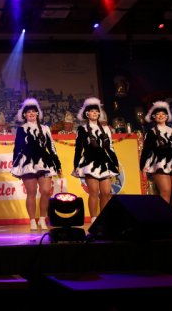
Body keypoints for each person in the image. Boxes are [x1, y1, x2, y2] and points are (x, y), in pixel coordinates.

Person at [11, 98, 62, 231]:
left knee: (45, 191)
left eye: (34, 111)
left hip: (44, 162)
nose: (31, 114)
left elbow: (51, 147)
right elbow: (17, 148)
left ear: (38, 113)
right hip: (28, 163)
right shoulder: (21, 129)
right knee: (31, 192)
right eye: (29, 112)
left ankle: (42, 218)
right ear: (24, 115)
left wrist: (57, 164)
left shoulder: (45, 128)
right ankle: (32, 220)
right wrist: (15, 164)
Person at [72, 97, 119, 222]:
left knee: (106, 192)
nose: (95, 113)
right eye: (92, 111)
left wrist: (115, 162)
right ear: (87, 114)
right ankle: (94, 219)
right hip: (90, 162)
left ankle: (103, 219)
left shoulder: (106, 129)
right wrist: (76, 165)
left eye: (97, 111)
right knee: (94, 192)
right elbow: (78, 149)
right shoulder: (82, 129)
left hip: (104, 162)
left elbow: (110, 147)